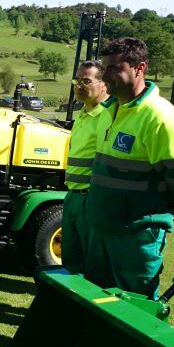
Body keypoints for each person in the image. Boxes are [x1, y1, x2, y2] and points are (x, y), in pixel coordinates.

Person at [86, 37, 174, 300]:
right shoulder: (109, 110)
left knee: (136, 307)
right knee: (97, 300)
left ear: (140, 68)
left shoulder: (161, 118)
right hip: (102, 228)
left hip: (137, 238)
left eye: (115, 68)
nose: (106, 76)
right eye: (104, 68)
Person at [61, 60, 111, 278]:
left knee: (93, 264)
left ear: (103, 84)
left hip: (90, 198)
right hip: (73, 195)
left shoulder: (107, 116)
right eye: (77, 80)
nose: (79, 86)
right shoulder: (82, 114)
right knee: (70, 260)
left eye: (86, 81)